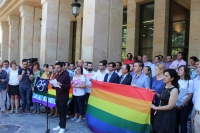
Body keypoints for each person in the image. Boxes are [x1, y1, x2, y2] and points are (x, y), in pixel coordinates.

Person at [52, 62, 70, 133]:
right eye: (56, 68)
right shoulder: (57, 75)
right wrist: (53, 85)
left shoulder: (66, 76)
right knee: (59, 112)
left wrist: (61, 85)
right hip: (58, 96)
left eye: (58, 68)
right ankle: (60, 125)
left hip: (64, 97)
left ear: (62, 67)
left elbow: (68, 87)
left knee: (63, 113)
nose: (56, 69)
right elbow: (56, 86)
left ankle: (63, 127)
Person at [176, 65, 193, 133]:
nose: (179, 71)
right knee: (175, 124)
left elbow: (190, 95)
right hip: (175, 105)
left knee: (183, 124)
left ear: (185, 72)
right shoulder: (177, 81)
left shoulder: (190, 82)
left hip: (184, 106)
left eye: (181, 70)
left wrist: (182, 105)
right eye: (178, 70)